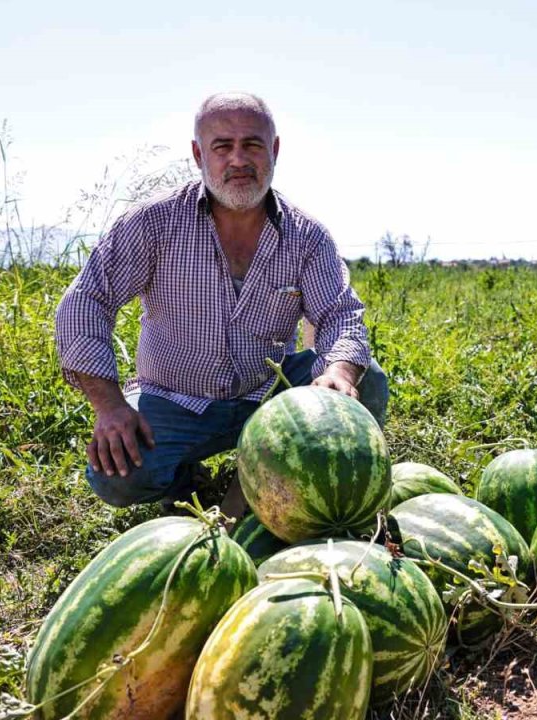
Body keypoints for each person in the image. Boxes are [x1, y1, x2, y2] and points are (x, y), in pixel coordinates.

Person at [54, 92, 387, 515]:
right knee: (117, 476)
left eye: (251, 145)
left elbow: (340, 314)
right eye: (222, 147)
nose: (238, 160)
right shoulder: (153, 223)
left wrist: (338, 371)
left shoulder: (307, 237)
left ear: (275, 151)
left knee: (366, 379)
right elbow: (87, 301)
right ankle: (184, 478)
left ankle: (280, 487)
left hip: (270, 397)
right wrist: (111, 406)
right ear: (198, 154)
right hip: (175, 401)